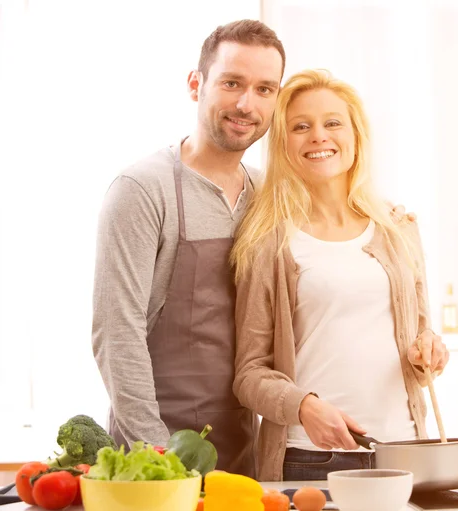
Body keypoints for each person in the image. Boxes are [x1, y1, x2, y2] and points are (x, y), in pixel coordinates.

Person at [231, 69, 450, 482]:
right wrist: (304, 407)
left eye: (332, 122)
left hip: (403, 452)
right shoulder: (268, 242)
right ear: (282, 144)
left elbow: (420, 347)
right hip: (311, 459)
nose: (318, 136)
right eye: (300, 126)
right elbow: (249, 374)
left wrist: (430, 353)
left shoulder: (398, 228)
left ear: (355, 135)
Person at [91, 19, 287, 478]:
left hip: (241, 458)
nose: (246, 103)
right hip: (148, 462)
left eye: (264, 89)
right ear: (196, 84)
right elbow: (116, 333)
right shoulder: (142, 189)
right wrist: (159, 460)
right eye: (232, 83)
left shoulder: (268, 195)